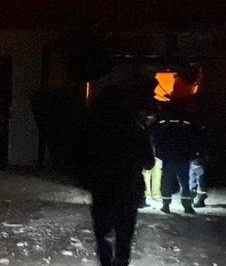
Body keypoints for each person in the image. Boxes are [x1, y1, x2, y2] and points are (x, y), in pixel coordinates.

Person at [81, 88, 155, 266]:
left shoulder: (93, 131)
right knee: (124, 232)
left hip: (102, 188)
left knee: (102, 231)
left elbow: (81, 160)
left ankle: (106, 261)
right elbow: (149, 163)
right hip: (129, 188)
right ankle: (121, 261)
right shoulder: (136, 130)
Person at [152, 107, 201, 214]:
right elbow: (191, 142)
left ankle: (166, 205)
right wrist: (190, 156)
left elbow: (159, 142)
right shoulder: (185, 127)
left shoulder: (164, 126)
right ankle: (187, 206)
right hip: (183, 160)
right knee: (185, 183)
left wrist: (160, 156)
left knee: (167, 183)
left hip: (168, 160)